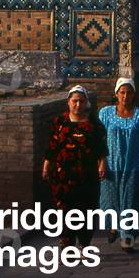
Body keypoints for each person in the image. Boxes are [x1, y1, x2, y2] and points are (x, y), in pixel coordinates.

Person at [42, 84, 107, 246]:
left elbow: (100, 148)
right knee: (64, 209)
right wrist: (46, 166)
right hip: (63, 174)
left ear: (86, 103)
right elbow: (52, 146)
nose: (78, 105)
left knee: (87, 209)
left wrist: (102, 164)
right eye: (74, 101)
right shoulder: (60, 122)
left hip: (87, 175)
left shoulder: (93, 124)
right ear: (68, 102)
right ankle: (67, 242)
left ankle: (85, 243)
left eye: (81, 101)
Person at [99, 77, 139, 253]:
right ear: (116, 94)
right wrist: (100, 162)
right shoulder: (105, 113)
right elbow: (100, 140)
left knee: (131, 200)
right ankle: (114, 227)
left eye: (129, 93)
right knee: (110, 198)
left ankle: (127, 235)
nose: (125, 96)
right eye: (122, 92)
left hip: (134, 164)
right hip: (111, 162)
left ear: (134, 95)